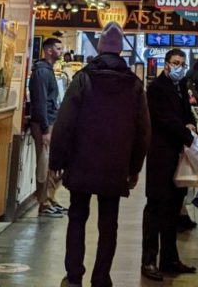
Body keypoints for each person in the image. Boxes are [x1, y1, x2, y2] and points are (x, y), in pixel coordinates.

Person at [49, 22, 150, 287]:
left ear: (100, 49)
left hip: (81, 162)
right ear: (120, 53)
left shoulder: (83, 79)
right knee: (109, 224)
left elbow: (65, 122)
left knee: (77, 217)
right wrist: (135, 167)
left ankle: (73, 277)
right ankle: (101, 277)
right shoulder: (135, 86)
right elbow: (143, 131)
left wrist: (58, 160)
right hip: (114, 166)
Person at [141, 48, 197, 282]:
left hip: (178, 157)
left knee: (174, 209)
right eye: (175, 63)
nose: (179, 67)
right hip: (161, 156)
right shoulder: (155, 89)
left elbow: (187, 113)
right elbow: (164, 120)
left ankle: (170, 259)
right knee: (155, 208)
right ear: (165, 64)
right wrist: (187, 134)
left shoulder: (181, 86)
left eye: (182, 63)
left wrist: (191, 124)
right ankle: (149, 260)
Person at [29, 37, 64, 217]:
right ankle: (43, 204)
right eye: (58, 48)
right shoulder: (42, 72)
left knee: (52, 164)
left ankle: (50, 198)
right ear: (49, 50)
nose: (61, 51)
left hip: (50, 121)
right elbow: (41, 102)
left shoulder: (48, 71)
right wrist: (44, 130)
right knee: (44, 164)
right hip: (44, 124)